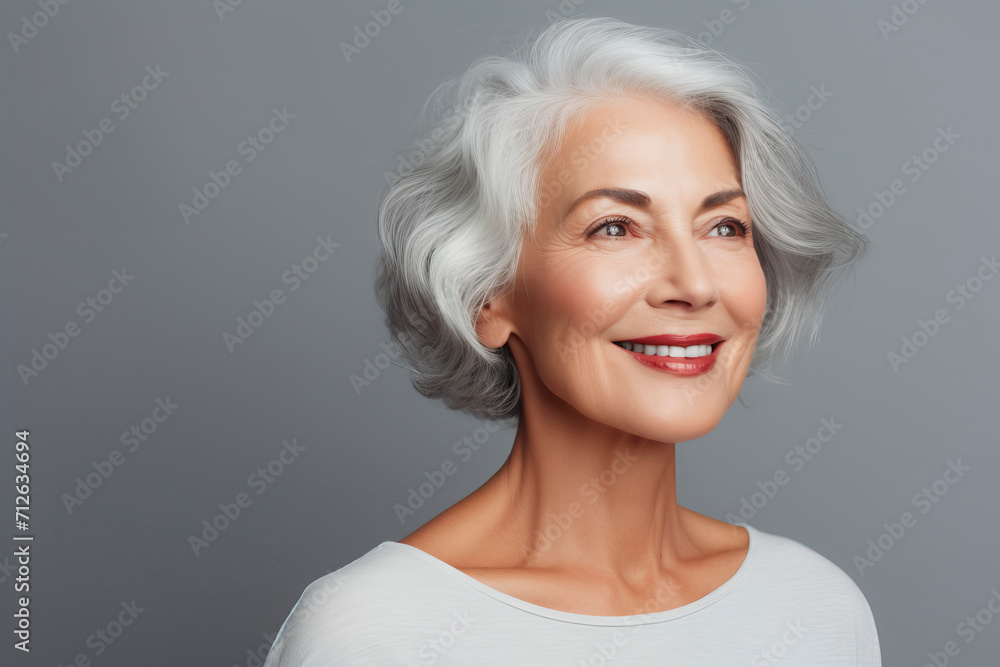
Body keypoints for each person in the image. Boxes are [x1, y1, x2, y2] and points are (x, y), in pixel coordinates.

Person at [264, 17, 881, 665]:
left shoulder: (816, 606)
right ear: (487, 295)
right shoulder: (376, 632)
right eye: (615, 227)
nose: (694, 283)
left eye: (724, 227)